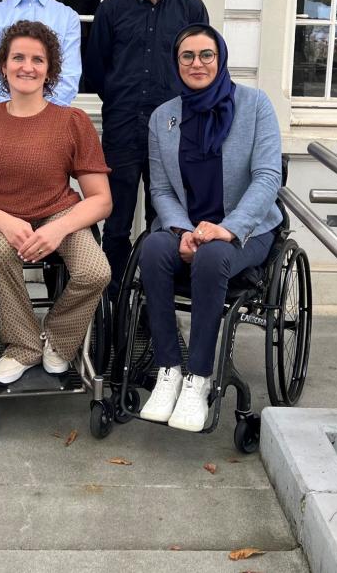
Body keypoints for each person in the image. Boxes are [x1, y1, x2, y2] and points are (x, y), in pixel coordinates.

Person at [135, 23, 282, 432]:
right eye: (187, 56)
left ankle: (198, 377)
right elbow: (160, 189)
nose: (197, 63)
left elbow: (268, 177)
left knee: (213, 257)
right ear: (176, 62)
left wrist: (227, 229)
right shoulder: (164, 117)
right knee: (152, 249)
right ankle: (169, 369)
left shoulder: (255, 105)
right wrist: (182, 230)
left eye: (206, 55)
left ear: (220, 59)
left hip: (245, 231)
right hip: (187, 228)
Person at [0, 20, 112, 385]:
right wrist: (5, 222)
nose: (27, 67)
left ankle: (57, 338)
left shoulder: (72, 120)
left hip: (58, 212)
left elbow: (101, 200)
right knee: (0, 251)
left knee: (95, 271)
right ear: (3, 65)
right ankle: (23, 346)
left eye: (38, 60)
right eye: (18, 58)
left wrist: (58, 229)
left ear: (50, 70)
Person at [83, 0, 208, 290]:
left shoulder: (192, 10)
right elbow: (97, 71)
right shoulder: (111, 11)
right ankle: (114, 303)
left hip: (175, 135)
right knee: (116, 224)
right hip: (122, 130)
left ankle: (156, 307)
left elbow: (202, 70)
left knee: (167, 223)